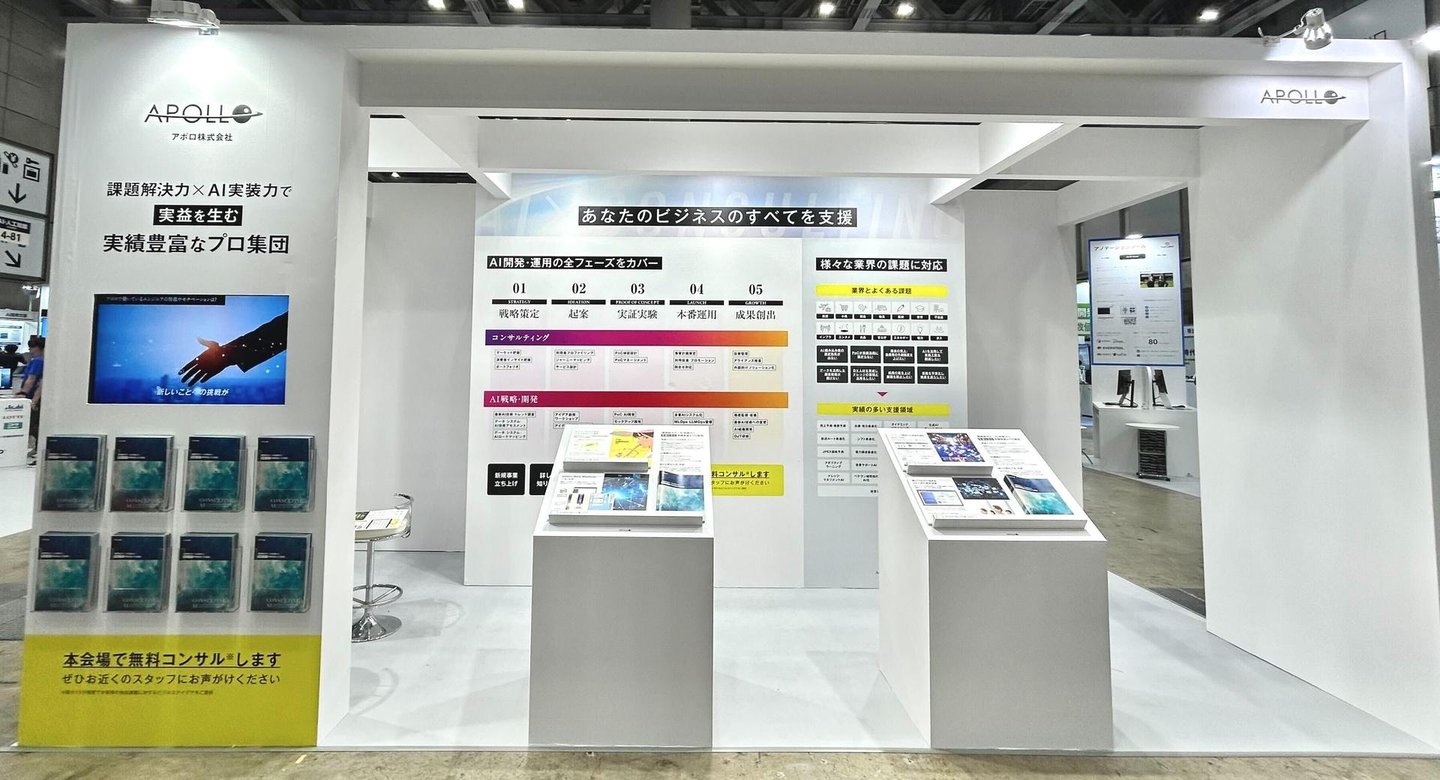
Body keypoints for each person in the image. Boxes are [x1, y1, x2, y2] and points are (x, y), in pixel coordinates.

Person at [17, 336, 42, 463]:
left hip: (32, 397)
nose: (30, 351)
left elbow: (31, 379)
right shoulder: (40, 360)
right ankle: (37, 448)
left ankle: (39, 448)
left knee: (32, 424)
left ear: (37, 348)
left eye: (31, 348)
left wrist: (23, 393)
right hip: (34, 397)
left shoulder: (38, 361)